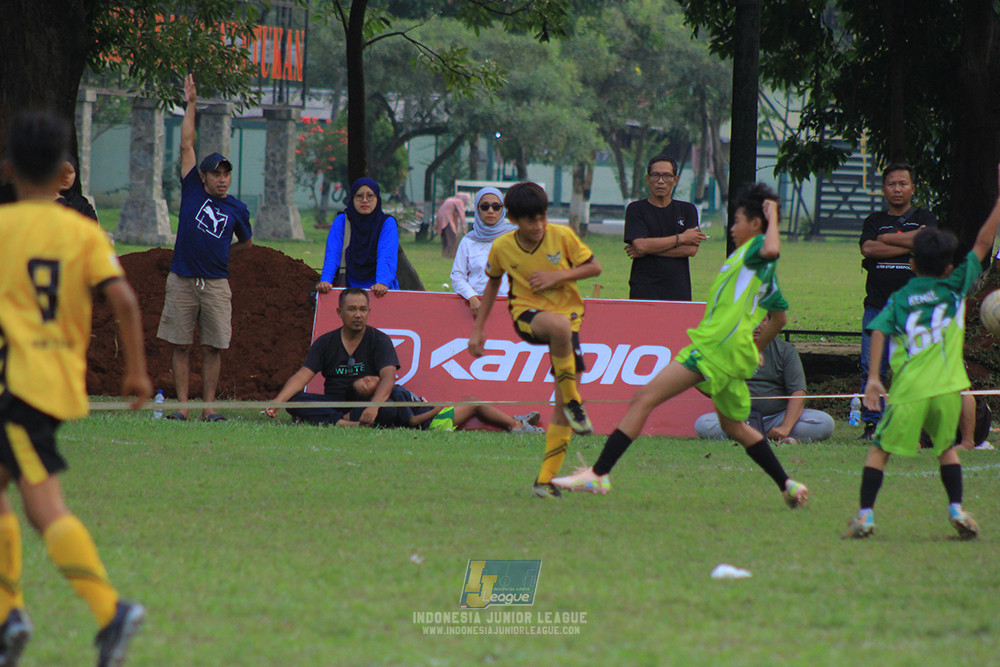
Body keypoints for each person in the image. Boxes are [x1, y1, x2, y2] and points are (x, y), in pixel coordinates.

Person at [0, 111, 150, 666]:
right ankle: (8, 617)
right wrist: (136, 371)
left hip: (15, 386)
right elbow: (126, 301)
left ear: (9, 168)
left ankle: (110, 612)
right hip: (55, 381)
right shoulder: (83, 231)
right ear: (64, 171)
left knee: (43, 508)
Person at [553, 184, 809, 510]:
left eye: (738, 220)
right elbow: (780, 318)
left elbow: (772, 251)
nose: (732, 227)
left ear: (756, 225)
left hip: (712, 352)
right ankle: (788, 484)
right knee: (734, 427)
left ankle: (599, 474)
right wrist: (753, 344)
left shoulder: (758, 251)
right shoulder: (753, 266)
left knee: (643, 398)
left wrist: (772, 218)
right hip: (727, 354)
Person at [843, 171, 1000, 540]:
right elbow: (982, 243)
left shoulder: (902, 297)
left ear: (913, 264)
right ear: (949, 266)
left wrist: (875, 380)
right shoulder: (955, 286)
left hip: (911, 390)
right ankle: (957, 508)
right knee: (946, 449)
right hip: (948, 392)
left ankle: (865, 515)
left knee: (879, 451)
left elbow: (878, 329)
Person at [468, 182, 602, 499]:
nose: (539, 226)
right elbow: (491, 287)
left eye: (542, 217)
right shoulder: (502, 247)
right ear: (513, 219)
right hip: (527, 316)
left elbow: (594, 267)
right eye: (530, 220)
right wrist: (478, 330)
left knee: (559, 411)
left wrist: (558, 276)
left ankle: (544, 480)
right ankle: (574, 402)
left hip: (570, 324)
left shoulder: (562, 236)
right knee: (557, 327)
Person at [156, 73, 253, 422]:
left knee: (213, 347)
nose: (223, 179)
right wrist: (191, 105)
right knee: (180, 345)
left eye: (227, 173)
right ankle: (182, 406)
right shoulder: (192, 191)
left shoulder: (237, 209)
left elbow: (247, 242)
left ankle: (209, 407)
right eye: (216, 174)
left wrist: (226, 255)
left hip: (215, 284)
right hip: (182, 280)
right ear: (204, 177)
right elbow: (186, 146)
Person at [858, 163, 937, 439]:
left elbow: (927, 242)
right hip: (877, 306)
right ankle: (872, 423)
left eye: (903, 184)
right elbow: (868, 248)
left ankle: (913, 423)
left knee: (912, 366)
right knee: (872, 365)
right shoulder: (874, 220)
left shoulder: (924, 216)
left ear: (912, 188)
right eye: (892, 184)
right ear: (884, 189)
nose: (897, 189)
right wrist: (908, 241)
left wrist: (888, 240)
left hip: (914, 309)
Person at [264, 288, 398, 425]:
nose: (358, 315)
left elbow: (388, 377)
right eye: (352, 309)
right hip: (332, 401)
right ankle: (345, 423)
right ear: (339, 312)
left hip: (364, 403)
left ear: (368, 312)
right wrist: (278, 401)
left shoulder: (380, 340)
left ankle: (327, 419)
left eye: (363, 310)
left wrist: (373, 407)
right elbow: (303, 375)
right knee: (294, 401)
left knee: (389, 409)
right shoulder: (325, 342)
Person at [694, 316, 835, 443]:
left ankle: (773, 435)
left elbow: (798, 392)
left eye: (761, 320)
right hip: (739, 419)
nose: (756, 325)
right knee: (704, 424)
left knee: (824, 423)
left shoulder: (785, 351)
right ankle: (762, 436)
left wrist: (785, 427)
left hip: (778, 417)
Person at [625, 155, 708, 301]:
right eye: (655, 175)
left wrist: (647, 250)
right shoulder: (636, 209)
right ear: (648, 178)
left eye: (667, 176)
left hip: (678, 291)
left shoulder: (687, 210)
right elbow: (640, 245)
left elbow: (690, 250)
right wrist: (681, 238)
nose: (661, 181)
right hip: (643, 290)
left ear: (675, 180)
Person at [337, 376, 544, 433]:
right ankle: (516, 426)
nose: (370, 379)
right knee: (475, 403)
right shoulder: (392, 399)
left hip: (434, 412)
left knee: (469, 399)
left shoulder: (395, 389)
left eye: (367, 377)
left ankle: (514, 420)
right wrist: (435, 409)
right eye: (366, 385)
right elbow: (412, 421)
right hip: (433, 422)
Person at [317, 178, 400, 297]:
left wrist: (382, 282)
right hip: (348, 287)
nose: (364, 200)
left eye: (370, 196)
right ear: (352, 199)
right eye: (359, 196)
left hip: (381, 291)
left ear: (377, 199)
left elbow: (386, 256)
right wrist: (325, 280)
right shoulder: (343, 220)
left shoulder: (387, 223)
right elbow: (332, 254)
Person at [450, 187, 514, 317]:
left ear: (503, 210)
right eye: (485, 206)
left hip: (510, 308)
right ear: (477, 209)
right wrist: (472, 297)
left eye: (496, 206)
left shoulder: (515, 238)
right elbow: (457, 276)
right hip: (476, 309)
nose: (490, 211)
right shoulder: (468, 241)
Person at [55, 156, 98, 222]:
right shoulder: (38, 201)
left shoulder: (82, 205)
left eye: (70, 172)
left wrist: (62, 202)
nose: (66, 177)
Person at [434, 192, 472, 259]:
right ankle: (452, 255)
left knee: (445, 237)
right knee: (451, 237)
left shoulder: (450, 199)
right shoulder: (458, 201)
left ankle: (445, 254)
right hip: (447, 219)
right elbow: (461, 213)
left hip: (440, 217)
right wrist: (464, 226)